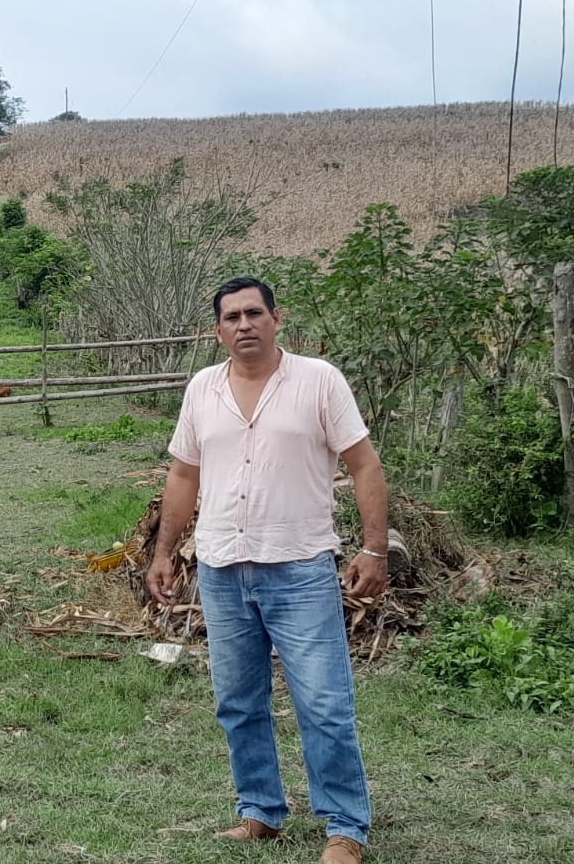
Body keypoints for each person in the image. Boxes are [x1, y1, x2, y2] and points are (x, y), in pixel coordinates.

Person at [146, 276, 388, 864]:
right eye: (232, 317)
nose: (244, 325)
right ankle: (259, 810)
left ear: (277, 319)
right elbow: (184, 474)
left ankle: (344, 827)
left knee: (323, 703)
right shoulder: (203, 388)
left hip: (299, 568)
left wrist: (375, 549)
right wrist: (163, 551)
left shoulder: (318, 380)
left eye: (254, 313)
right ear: (218, 331)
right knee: (238, 700)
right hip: (222, 568)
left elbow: (363, 464)